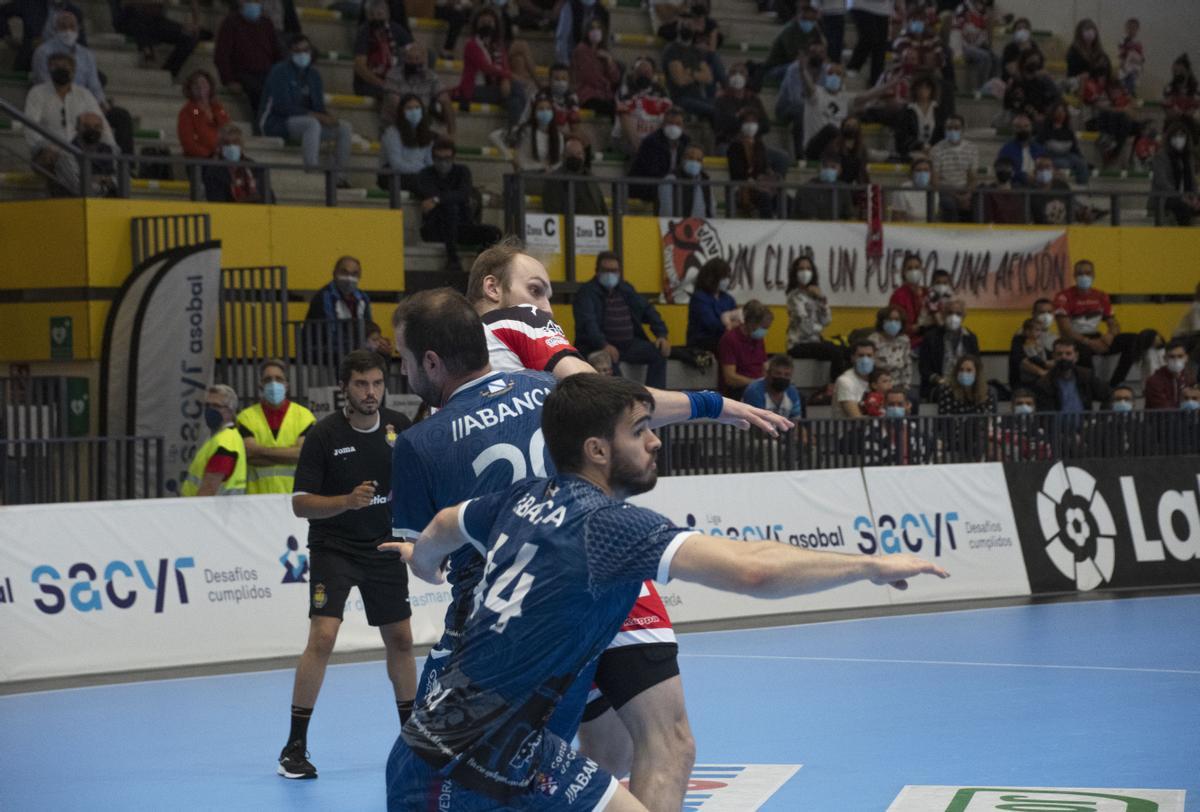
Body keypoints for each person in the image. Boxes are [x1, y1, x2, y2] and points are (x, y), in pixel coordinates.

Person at [382, 372, 946, 810]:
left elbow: (448, 522)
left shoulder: (518, 498)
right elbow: (753, 569)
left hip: (420, 749)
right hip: (495, 755)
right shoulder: (606, 527)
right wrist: (869, 565)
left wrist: (423, 561)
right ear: (597, 450)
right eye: (640, 430)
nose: (655, 441)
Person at [389, 284, 791, 811]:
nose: (403, 372)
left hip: (511, 620)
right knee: (644, 748)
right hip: (601, 584)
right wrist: (712, 403)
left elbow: (434, 544)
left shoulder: (421, 442)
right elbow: (631, 405)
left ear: (433, 361)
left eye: (403, 360)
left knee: (490, 763)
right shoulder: (551, 387)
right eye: (535, 288)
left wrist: (421, 559)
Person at [279, 350, 414, 780]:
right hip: (334, 547)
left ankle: (412, 742)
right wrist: (345, 501)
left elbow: (415, 487)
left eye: (376, 383)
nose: (371, 392)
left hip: (384, 547)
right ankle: (294, 747)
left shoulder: (399, 428)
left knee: (402, 639)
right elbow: (301, 505)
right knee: (323, 635)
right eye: (361, 384)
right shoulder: (323, 436)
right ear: (344, 388)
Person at [32, 11, 133, 155]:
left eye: (72, 26)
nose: (68, 30)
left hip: (87, 103)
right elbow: (46, 84)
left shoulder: (86, 54)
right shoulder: (43, 52)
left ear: (78, 29)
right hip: (59, 103)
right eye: (63, 26)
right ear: (55, 29)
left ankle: (126, 166)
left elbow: (94, 85)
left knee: (121, 116)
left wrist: (101, 103)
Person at [260, 36, 354, 184]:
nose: (302, 54)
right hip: (277, 121)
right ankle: (312, 171)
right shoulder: (279, 71)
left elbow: (318, 107)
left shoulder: (314, 75)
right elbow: (281, 106)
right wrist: (316, 116)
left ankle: (340, 177)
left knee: (344, 128)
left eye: (305, 50)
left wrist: (329, 117)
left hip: (305, 122)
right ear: (290, 53)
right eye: (297, 50)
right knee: (312, 123)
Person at [574, 252, 672, 389]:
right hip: (598, 346)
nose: (610, 274)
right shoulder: (586, 293)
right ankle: (623, 403)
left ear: (620, 272)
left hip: (629, 345)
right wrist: (603, 344)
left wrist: (661, 335)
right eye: (605, 270)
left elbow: (647, 309)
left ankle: (654, 398)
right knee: (609, 368)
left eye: (614, 271)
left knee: (658, 354)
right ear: (597, 271)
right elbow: (588, 323)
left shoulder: (626, 289)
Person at [1054, 260, 1158, 388]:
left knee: (1133, 340)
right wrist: (1090, 343)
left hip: (1096, 336)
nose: (1084, 277)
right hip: (1075, 339)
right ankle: (1090, 388)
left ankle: (1114, 385)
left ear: (1094, 275)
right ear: (1074, 276)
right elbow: (1065, 330)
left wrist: (1110, 336)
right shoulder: (1063, 297)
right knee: (1083, 352)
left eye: (1088, 273)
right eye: (1080, 273)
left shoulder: (1101, 296)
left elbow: (1113, 323)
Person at [414, 138, 503, 273]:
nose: (443, 162)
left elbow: (463, 193)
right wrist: (450, 197)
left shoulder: (462, 172)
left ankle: (481, 265)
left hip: (462, 227)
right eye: (439, 158)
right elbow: (431, 192)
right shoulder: (425, 175)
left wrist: (437, 199)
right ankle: (452, 260)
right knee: (451, 209)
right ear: (433, 158)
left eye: (447, 158)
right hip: (436, 228)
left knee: (494, 233)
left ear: (453, 157)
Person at [236, 359, 317, 494]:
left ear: (287, 385)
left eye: (279, 379)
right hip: (257, 499)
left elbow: (302, 455)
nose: (273, 384)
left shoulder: (304, 416)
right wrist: (288, 453)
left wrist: (260, 450)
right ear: (260, 385)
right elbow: (248, 454)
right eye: (267, 379)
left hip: (295, 498)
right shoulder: (246, 418)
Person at [23, 53, 116, 166]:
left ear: (73, 71)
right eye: (55, 66)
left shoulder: (84, 94)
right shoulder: (37, 93)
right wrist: (43, 147)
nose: (60, 69)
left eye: (65, 66)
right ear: (49, 69)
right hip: (49, 152)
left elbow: (102, 124)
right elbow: (30, 125)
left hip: (81, 152)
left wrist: (113, 149)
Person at [214, 0, 283, 128]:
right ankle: (264, 127)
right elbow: (221, 56)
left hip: (267, 73)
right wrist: (228, 80)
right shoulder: (230, 23)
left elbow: (277, 53)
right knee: (260, 92)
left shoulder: (266, 23)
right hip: (243, 73)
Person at [458, 7, 527, 131]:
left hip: (495, 88)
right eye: (483, 22)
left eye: (490, 22)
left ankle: (511, 135)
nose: (487, 25)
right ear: (476, 24)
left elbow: (504, 65)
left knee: (515, 102)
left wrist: (506, 79)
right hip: (474, 89)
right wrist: (511, 76)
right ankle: (520, 130)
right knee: (516, 87)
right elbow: (486, 68)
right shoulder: (472, 44)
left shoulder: (497, 44)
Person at [785, 254, 846, 381]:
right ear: (795, 273)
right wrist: (819, 327)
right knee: (835, 352)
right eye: (801, 269)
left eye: (808, 269)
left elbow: (827, 320)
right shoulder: (793, 297)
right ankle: (833, 386)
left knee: (846, 350)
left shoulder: (815, 294)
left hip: (815, 341)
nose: (805, 272)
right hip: (798, 344)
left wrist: (821, 299)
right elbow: (805, 328)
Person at [181, 384, 248, 496]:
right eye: (207, 405)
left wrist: (191, 512)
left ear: (230, 411)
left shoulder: (225, 443)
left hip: (210, 510)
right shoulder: (221, 437)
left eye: (216, 406)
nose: (210, 410)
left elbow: (209, 488)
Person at [382, 43, 456, 139]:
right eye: (409, 58)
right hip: (396, 127)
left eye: (417, 59)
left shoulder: (431, 76)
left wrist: (452, 133)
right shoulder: (393, 75)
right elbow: (396, 105)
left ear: (424, 60)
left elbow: (445, 100)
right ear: (404, 59)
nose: (413, 62)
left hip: (422, 128)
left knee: (443, 143)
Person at [112, 0, 199, 77]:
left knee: (190, 38)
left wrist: (196, 23)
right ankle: (148, 52)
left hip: (156, 21)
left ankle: (168, 73)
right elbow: (125, 2)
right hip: (131, 19)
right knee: (140, 20)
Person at [662, 10, 721, 122]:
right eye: (683, 25)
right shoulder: (672, 49)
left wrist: (690, 72)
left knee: (724, 108)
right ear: (678, 27)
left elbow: (709, 78)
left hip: (698, 97)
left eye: (689, 25)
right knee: (714, 110)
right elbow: (680, 80)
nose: (686, 28)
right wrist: (698, 74)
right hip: (680, 98)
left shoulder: (696, 51)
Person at [352, 0, 412, 99]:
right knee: (394, 94)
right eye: (372, 15)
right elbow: (360, 66)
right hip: (370, 83)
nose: (376, 18)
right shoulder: (364, 32)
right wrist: (381, 83)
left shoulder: (396, 29)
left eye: (380, 14)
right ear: (367, 16)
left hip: (394, 80)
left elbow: (413, 48)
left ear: (387, 15)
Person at [492, 92, 564, 174]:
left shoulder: (559, 136)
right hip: (525, 175)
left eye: (548, 109)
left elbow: (558, 161)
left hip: (545, 179)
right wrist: (510, 158)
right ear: (534, 112)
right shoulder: (525, 130)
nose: (545, 112)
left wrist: (551, 169)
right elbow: (494, 136)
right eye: (541, 109)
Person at [918, 300, 979, 397]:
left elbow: (977, 365)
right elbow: (924, 368)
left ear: (963, 317)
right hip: (939, 384)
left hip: (965, 383)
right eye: (950, 313)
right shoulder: (931, 337)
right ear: (943, 315)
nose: (953, 317)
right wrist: (939, 380)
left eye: (958, 314)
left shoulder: (970, 338)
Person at [1034, 338, 1111, 413]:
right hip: (1056, 425)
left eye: (1068, 353)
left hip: (1085, 424)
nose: (1063, 357)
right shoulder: (1044, 383)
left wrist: (1102, 417)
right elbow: (1045, 414)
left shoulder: (1086, 376)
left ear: (1076, 356)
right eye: (1059, 354)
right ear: (1053, 356)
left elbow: (1109, 394)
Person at [629, 108, 689, 204]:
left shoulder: (685, 142)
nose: (673, 127)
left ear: (683, 126)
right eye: (670, 123)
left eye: (678, 124)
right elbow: (653, 172)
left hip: (673, 186)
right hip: (648, 187)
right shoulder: (651, 142)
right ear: (663, 124)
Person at [50, 111, 117, 197]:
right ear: (77, 128)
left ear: (102, 129)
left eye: (97, 127)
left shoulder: (110, 151)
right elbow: (80, 188)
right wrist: (108, 183)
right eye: (87, 126)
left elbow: (124, 181)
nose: (92, 130)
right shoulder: (66, 153)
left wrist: (99, 179)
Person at [615, 57, 674, 153]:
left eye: (647, 73)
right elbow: (624, 116)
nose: (643, 75)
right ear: (633, 73)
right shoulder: (625, 90)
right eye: (639, 72)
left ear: (653, 74)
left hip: (654, 138)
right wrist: (640, 148)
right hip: (631, 138)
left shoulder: (660, 91)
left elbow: (670, 112)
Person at [727, 108, 777, 218]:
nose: (751, 125)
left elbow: (764, 167)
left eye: (753, 122)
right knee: (765, 197)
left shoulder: (759, 145)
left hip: (760, 184)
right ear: (742, 124)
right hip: (743, 186)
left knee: (785, 198)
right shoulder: (735, 146)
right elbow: (736, 173)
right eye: (747, 122)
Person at [863, 387, 933, 465]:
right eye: (891, 404)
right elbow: (870, 463)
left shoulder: (914, 429)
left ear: (907, 405)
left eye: (900, 404)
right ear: (884, 405)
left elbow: (924, 461)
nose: (895, 408)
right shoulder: (873, 430)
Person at [717, 299, 772, 399]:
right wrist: (757, 383)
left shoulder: (758, 339)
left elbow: (764, 367)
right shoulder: (730, 339)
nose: (764, 331)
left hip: (759, 386)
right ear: (751, 323)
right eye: (763, 327)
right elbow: (730, 378)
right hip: (739, 390)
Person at [380, 93, 434, 192]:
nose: (414, 112)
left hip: (419, 175)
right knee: (424, 184)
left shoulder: (427, 134)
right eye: (409, 108)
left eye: (417, 108)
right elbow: (396, 165)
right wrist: (422, 170)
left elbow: (429, 162)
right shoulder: (392, 133)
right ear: (402, 112)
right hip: (393, 175)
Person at [1149, 120, 1200, 226]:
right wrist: (1181, 197)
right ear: (1169, 138)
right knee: (1182, 206)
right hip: (1165, 197)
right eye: (1175, 136)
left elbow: (1192, 180)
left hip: (1186, 196)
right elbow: (1161, 182)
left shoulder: (1188, 157)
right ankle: (1184, 237)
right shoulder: (1161, 156)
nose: (1179, 139)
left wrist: (1194, 197)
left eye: (1182, 136)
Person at [203, 123, 270, 203]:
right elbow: (216, 200)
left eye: (235, 143)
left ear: (241, 145)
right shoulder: (213, 170)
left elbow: (268, 196)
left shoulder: (254, 167)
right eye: (227, 143)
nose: (231, 146)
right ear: (220, 146)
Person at [542, 135, 607, 216]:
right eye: (571, 154)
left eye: (579, 154)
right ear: (564, 156)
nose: (575, 157)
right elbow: (553, 210)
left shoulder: (590, 176)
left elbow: (601, 204)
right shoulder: (555, 179)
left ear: (584, 156)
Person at [929, 114, 976, 222]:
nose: (952, 131)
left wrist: (967, 195)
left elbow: (972, 177)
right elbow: (935, 181)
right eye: (949, 128)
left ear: (963, 129)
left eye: (956, 128)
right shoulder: (936, 150)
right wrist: (956, 197)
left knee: (979, 202)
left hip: (964, 189)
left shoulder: (972, 148)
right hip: (944, 190)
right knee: (948, 204)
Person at [686, 257, 738, 354]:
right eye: (723, 278)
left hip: (725, 340)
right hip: (703, 344)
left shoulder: (728, 299)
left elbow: (737, 318)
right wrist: (732, 325)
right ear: (712, 278)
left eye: (727, 277)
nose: (727, 281)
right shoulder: (699, 298)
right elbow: (712, 325)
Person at [764, 3, 825, 83]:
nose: (810, 22)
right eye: (807, 19)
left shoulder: (814, 30)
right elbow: (793, 56)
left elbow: (821, 49)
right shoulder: (789, 30)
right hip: (778, 67)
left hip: (802, 63)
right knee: (798, 68)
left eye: (813, 20)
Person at [572, 17, 620, 116]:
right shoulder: (581, 49)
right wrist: (606, 84)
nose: (596, 31)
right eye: (592, 28)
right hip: (588, 95)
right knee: (612, 109)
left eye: (598, 28)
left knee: (622, 109)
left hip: (605, 95)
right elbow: (589, 77)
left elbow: (615, 78)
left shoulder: (604, 51)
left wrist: (609, 60)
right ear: (587, 31)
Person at [177, 70, 230, 158]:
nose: (200, 86)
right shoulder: (188, 112)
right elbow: (188, 142)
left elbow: (229, 130)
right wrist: (209, 155)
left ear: (210, 86)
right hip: (202, 159)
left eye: (203, 83)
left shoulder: (218, 108)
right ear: (190, 89)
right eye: (195, 84)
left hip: (223, 156)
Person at [1037, 101, 1089, 186]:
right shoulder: (1045, 130)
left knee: (1082, 163)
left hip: (1067, 155)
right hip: (1051, 157)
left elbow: (1074, 149)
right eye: (1058, 111)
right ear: (1053, 113)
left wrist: (1081, 158)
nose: (1061, 114)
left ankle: (1082, 187)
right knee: (1063, 164)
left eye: (1063, 111)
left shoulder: (1069, 132)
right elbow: (1039, 147)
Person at [894, 73, 943, 161]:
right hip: (912, 152)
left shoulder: (939, 110)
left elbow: (942, 134)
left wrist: (932, 148)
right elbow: (902, 137)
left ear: (932, 90)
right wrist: (920, 146)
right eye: (920, 87)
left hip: (934, 151)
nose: (922, 91)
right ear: (915, 89)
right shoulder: (907, 111)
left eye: (926, 88)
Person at [742, 354, 805, 422]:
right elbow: (756, 426)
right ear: (768, 374)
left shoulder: (792, 392)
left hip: (778, 431)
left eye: (787, 375)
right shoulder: (754, 391)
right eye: (778, 373)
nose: (782, 377)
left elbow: (797, 424)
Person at [658, 143, 715, 217]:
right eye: (691, 158)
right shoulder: (671, 179)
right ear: (683, 159)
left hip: (702, 226)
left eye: (698, 160)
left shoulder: (705, 180)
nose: (695, 162)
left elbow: (711, 207)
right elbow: (666, 209)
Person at [869, 305, 914, 399]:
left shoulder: (904, 340)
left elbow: (907, 366)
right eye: (889, 319)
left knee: (912, 397)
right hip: (879, 386)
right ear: (882, 322)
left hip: (898, 386)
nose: (893, 322)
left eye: (897, 320)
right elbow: (870, 368)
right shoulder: (873, 340)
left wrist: (905, 387)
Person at [953, 0, 995, 92]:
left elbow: (983, 33)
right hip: (962, 46)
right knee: (985, 57)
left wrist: (987, 43)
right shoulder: (963, 8)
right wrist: (958, 51)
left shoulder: (982, 10)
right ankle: (981, 89)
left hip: (977, 45)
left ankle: (993, 89)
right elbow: (957, 30)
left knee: (996, 59)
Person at [845, 0, 891, 85]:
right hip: (861, 5)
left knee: (880, 47)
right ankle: (853, 66)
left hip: (883, 8)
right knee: (869, 37)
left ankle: (876, 82)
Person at [887, 253, 928, 347]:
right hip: (907, 343)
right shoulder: (898, 295)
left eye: (917, 267)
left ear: (922, 270)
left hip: (929, 341)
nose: (914, 271)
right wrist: (918, 328)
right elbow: (895, 325)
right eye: (910, 268)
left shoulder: (928, 293)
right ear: (903, 272)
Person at [1144, 340, 1197, 410]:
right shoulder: (1154, 381)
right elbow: (1163, 408)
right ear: (1165, 358)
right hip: (1161, 419)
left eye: (1180, 356)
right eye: (1172, 357)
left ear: (1186, 358)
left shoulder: (1190, 377)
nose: (1176, 360)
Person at [996, 113, 1045, 187]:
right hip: (1016, 185)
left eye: (1026, 126)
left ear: (1031, 128)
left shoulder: (1039, 148)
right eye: (1019, 127)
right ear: (1013, 129)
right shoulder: (1006, 150)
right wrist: (1024, 177)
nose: (1023, 130)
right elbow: (1003, 171)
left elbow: (1047, 167)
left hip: (1039, 183)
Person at [555, 0, 610, 65]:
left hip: (594, 59)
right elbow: (562, 37)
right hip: (573, 58)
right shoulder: (570, 6)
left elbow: (603, 37)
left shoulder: (601, 9)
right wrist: (564, 62)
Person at [979, 155, 1026, 224]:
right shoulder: (988, 193)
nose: (1003, 170)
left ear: (1013, 172)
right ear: (995, 171)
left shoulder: (1020, 193)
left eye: (1007, 168)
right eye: (1000, 168)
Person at [1008, 316, 1050, 391]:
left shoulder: (1038, 342)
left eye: (1040, 330)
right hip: (1028, 380)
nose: (1039, 333)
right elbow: (1033, 357)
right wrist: (1044, 364)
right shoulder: (1027, 344)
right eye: (1037, 330)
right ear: (1027, 331)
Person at [1065, 18, 1108, 84]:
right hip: (1078, 84)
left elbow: (1105, 69)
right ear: (1079, 33)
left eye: (1092, 29)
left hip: (1097, 85)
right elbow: (1074, 72)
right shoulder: (1073, 51)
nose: (1090, 32)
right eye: (1086, 29)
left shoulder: (1100, 51)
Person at [890, 157, 933, 222]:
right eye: (918, 170)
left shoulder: (933, 190)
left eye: (926, 170)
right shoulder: (902, 190)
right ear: (912, 173)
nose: (922, 173)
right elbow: (897, 219)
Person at [1116, 18, 1145, 98]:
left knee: (1132, 87)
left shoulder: (1138, 42)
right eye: (1129, 27)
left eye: (1134, 28)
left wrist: (1141, 64)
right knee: (1123, 87)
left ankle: (1130, 99)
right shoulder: (1122, 41)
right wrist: (1122, 64)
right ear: (1126, 28)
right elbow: (1121, 54)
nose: (1131, 30)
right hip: (1125, 68)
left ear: (1137, 29)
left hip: (1135, 68)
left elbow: (1141, 57)